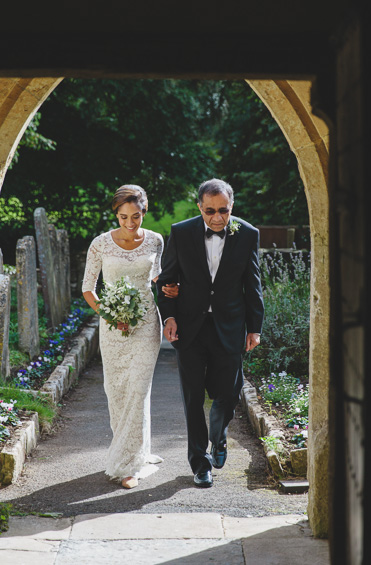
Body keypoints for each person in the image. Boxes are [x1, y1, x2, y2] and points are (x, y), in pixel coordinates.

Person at [157, 178, 263, 488]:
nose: (217, 218)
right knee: (192, 398)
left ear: (232, 207)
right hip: (190, 328)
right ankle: (199, 464)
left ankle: (219, 437)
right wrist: (170, 317)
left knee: (227, 393)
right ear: (200, 207)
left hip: (230, 326)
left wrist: (255, 328)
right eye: (209, 211)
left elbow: (253, 285)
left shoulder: (248, 234)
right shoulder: (181, 232)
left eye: (223, 211)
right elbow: (167, 281)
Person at [82, 185, 178, 489]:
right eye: (123, 217)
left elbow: (158, 277)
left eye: (135, 216)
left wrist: (170, 288)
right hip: (112, 326)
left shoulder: (155, 240)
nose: (129, 223)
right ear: (116, 214)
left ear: (144, 212)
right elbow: (88, 288)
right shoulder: (100, 244)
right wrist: (108, 314)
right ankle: (140, 449)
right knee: (118, 390)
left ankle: (128, 465)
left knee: (138, 388)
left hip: (146, 322)